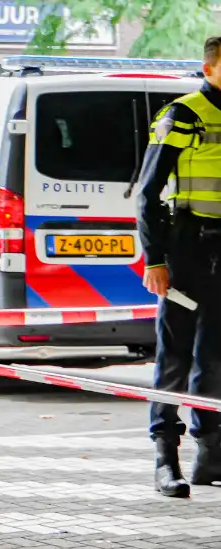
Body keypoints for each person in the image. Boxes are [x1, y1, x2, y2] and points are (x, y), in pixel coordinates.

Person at [137, 36, 221, 499]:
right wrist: (154, 259)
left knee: (214, 359)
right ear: (208, 68)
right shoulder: (182, 114)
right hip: (187, 247)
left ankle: (209, 454)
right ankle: (165, 459)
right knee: (175, 357)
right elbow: (148, 193)